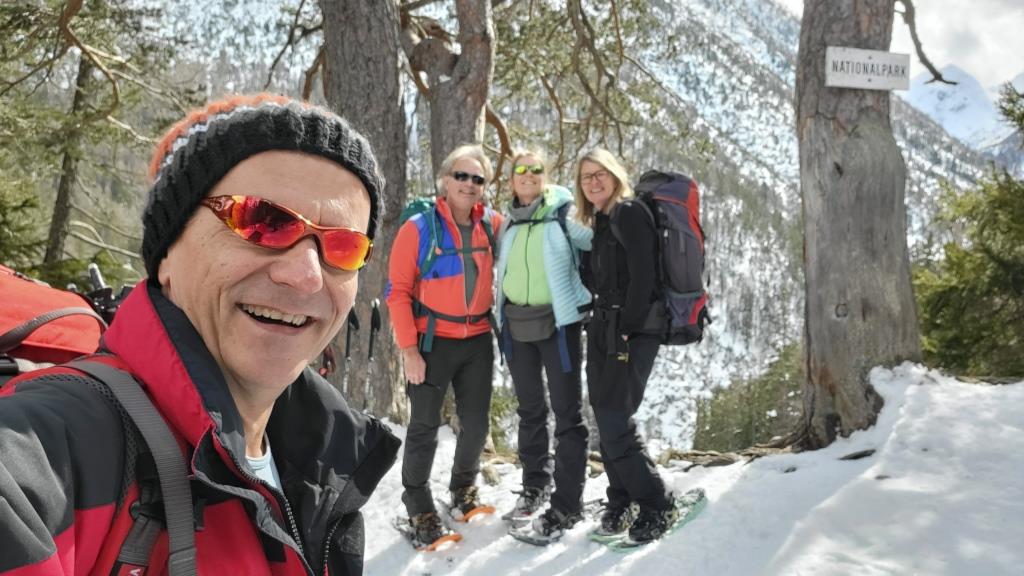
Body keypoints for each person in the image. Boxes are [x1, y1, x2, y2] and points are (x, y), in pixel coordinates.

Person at [0, 94, 401, 575]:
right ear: (168, 252)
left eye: (344, 246)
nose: (307, 275)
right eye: (263, 221)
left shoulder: (324, 465)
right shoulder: (55, 448)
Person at [385, 144, 503, 545]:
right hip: (431, 342)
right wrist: (409, 351)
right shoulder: (418, 228)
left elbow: (529, 230)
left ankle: (463, 489)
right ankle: (419, 507)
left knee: (476, 424)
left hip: (477, 341)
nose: (469, 184)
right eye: (461, 176)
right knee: (423, 427)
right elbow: (397, 292)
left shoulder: (491, 225)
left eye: (477, 178)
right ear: (445, 180)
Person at [575, 148, 679, 543]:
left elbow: (643, 274)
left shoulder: (630, 212)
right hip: (604, 326)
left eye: (600, 173)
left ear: (616, 175)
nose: (594, 181)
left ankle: (656, 502)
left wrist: (628, 328)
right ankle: (621, 498)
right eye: (586, 176)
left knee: (616, 416)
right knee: (604, 417)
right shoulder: (602, 220)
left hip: (631, 330)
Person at [493, 149, 592, 541]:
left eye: (537, 169)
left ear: (546, 176)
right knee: (530, 410)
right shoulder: (508, 223)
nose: (529, 174)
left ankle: (569, 500)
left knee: (568, 414)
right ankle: (535, 485)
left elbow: (596, 237)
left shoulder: (562, 214)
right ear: (512, 179)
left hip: (559, 326)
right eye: (521, 169)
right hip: (517, 325)